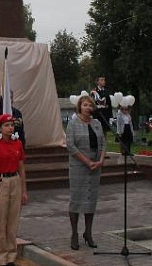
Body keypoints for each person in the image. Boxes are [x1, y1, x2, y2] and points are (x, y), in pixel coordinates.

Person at [0, 114, 28, 266]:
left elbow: (22, 167)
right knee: (0, 221)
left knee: (13, 221)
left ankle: (11, 256)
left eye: (12, 125)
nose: (11, 128)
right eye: (7, 125)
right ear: (0, 128)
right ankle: (0, 257)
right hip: (0, 181)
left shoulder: (17, 143)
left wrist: (24, 190)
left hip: (15, 180)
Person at [66, 95, 105, 250]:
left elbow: (103, 142)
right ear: (80, 107)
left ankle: (88, 233)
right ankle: (74, 234)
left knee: (91, 201)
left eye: (90, 105)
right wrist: (87, 161)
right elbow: (70, 146)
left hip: (95, 166)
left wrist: (100, 160)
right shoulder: (73, 123)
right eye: (85, 105)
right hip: (79, 167)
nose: (88, 107)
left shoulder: (97, 123)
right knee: (77, 200)